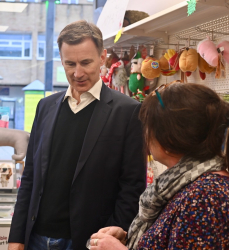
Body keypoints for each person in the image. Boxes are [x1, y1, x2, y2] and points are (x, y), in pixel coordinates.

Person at [8, 20, 146, 250]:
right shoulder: (46, 107)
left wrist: (112, 235)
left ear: (102, 58)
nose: (77, 73)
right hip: (36, 239)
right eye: (69, 64)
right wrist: (16, 237)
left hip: (90, 241)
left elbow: (132, 185)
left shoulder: (128, 111)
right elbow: (30, 177)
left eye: (86, 63)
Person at [88, 82, 229, 249]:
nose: (145, 134)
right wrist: (129, 239)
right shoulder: (183, 182)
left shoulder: (205, 197)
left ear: (168, 138)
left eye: (148, 127)